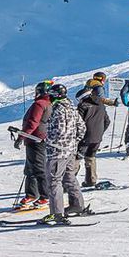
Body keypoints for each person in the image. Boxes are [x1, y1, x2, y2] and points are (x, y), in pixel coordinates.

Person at [38, 84, 91, 225]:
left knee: (54, 181)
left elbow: (58, 130)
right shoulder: (72, 108)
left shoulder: (56, 109)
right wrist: (73, 142)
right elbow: (82, 128)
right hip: (70, 151)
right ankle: (78, 205)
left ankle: (57, 213)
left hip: (57, 152)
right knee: (69, 178)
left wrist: (48, 140)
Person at [14, 82, 51, 209]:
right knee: (30, 168)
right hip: (35, 139)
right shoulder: (47, 103)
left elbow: (32, 123)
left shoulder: (39, 104)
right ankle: (31, 195)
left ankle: (45, 196)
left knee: (39, 169)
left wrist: (21, 137)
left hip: (36, 139)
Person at [76, 76, 113, 188]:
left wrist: (77, 136)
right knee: (90, 157)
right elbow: (107, 121)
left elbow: (78, 123)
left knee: (77, 157)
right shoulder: (100, 104)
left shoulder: (82, 106)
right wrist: (100, 132)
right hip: (97, 137)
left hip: (85, 137)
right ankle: (91, 180)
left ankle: (69, 183)